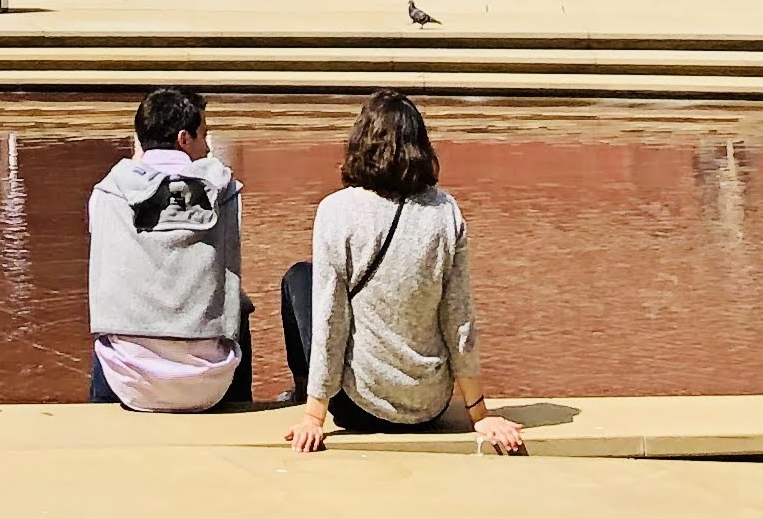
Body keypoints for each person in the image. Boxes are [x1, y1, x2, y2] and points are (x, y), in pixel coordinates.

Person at [280, 90, 529, 452]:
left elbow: (331, 319)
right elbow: (458, 318)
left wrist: (313, 418)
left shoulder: (336, 210)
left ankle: (303, 392)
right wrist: (479, 413)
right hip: (429, 407)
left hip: (359, 407)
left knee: (299, 278)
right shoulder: (445, 211)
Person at [85, 84, 251, 412]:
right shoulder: (226, 192)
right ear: (184, 139)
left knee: (117, 298)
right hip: (211, 383)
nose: (208, 147)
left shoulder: (107, 194)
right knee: (238, 302)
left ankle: (99, 411)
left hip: (127, 382)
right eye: (204, 135)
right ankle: (240, 404)